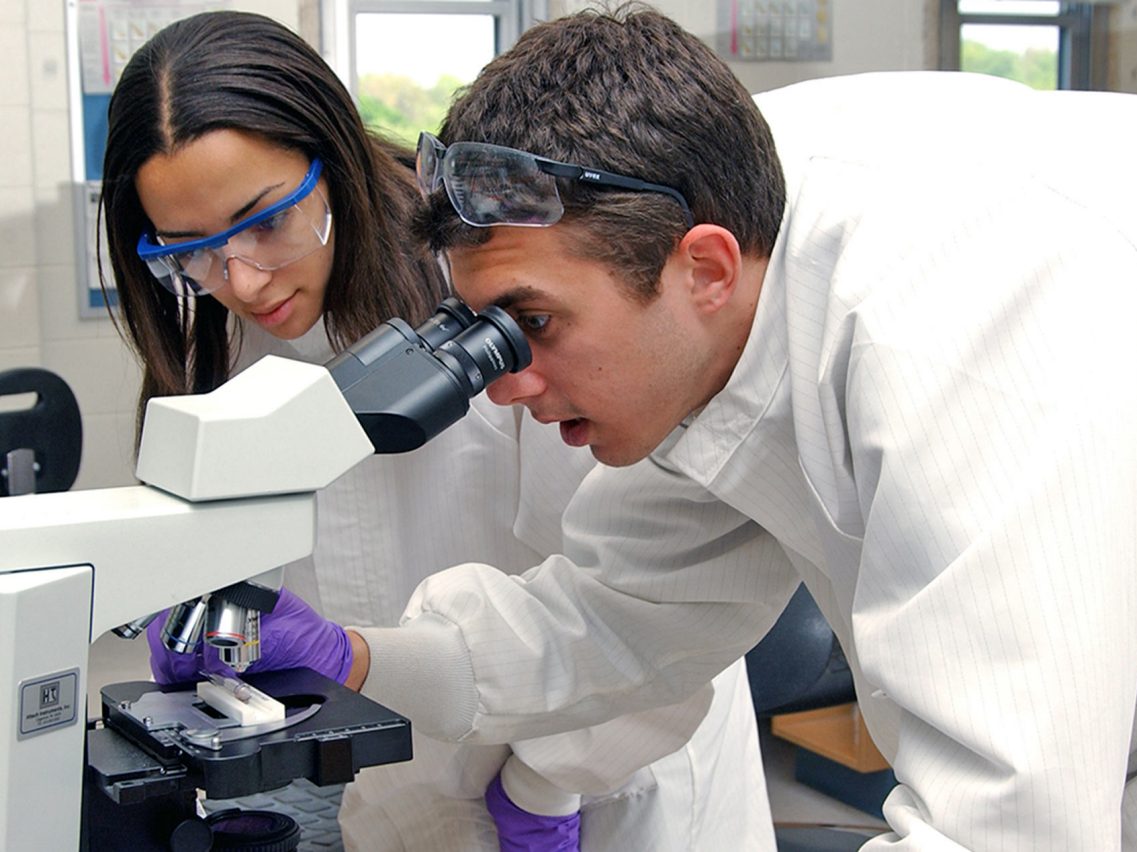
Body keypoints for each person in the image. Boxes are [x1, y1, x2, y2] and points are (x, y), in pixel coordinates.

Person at [148, 6, 1137, 850]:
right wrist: (353, 658)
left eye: (531, 325)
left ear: (702, 268)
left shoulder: (966, 317)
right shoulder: (704, 250)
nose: (505, 385)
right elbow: (612, 621)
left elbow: (1004, 824)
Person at [98, 11, 776, 851]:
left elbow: (642, 611)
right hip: (403, 780)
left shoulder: (511, 309)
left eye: (266, 221)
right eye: (190, 250)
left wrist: (543, 789)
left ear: (333, 160)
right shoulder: (227, 349)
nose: (239, 278)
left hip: (608, 773)